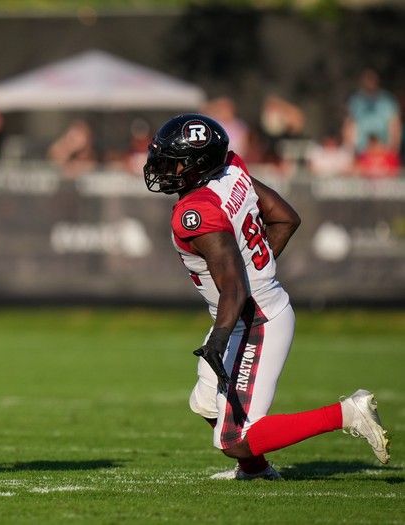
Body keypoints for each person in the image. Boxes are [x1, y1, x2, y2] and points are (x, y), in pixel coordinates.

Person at [143, 113, 390, 480]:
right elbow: (286, 218)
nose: (164, 167)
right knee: (205, 402)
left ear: (198, 165)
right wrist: (255, 270)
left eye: (174, 161)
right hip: (247, 311)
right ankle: (256, 472)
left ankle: (347, 413)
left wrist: (222, 336)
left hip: (254, 319)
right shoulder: (230, 172)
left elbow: (235, 287)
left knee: (235, 439)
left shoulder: (195, 211)